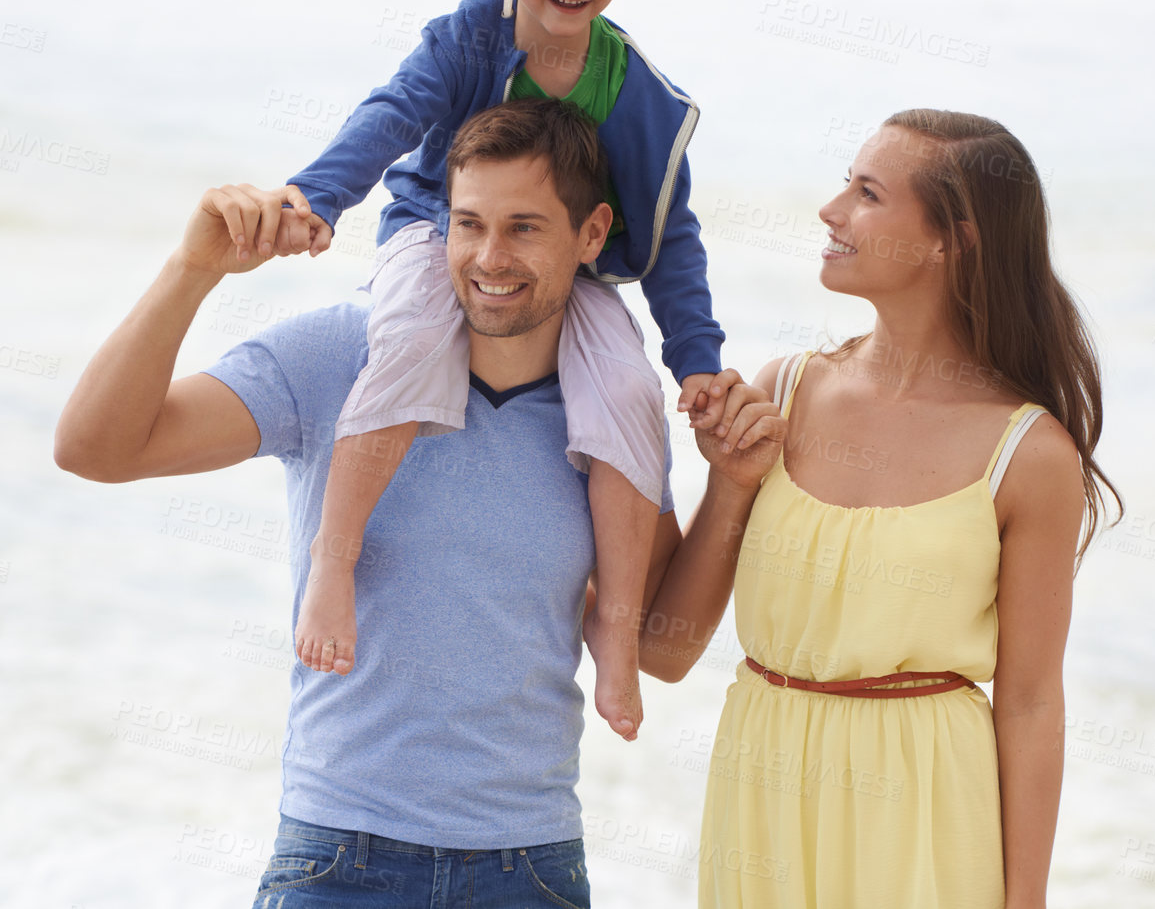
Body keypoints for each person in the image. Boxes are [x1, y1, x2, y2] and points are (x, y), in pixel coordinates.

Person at [53, 98, 780, 907]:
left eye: (525, 228)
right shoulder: (341, 354)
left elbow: (663, 650)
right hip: (339, 860)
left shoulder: (607, 407)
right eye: (468, 225)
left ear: (592, 233)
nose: (488, 258)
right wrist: (193, 270)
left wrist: (732, 484)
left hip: (529, 867)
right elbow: (96, 449)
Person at [266, 0, 729, 744]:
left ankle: (618, 626)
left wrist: (697, 365)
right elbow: (390, 116)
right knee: (403, 344)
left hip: (569, 269)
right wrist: (316, 197)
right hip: (438, 231)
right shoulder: (466, 39)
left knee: (626, 396)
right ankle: (335, 554)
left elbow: (674, 239)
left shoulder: (638, 95)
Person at [644, 110, 1123, 908]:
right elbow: (662, 654)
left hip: (928, 816)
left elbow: (1034, 701)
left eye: (867, 193)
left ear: (953, 241)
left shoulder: (1029, 455)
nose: (831, 212)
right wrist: (730, 483)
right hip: (760, 796)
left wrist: (1025, 897)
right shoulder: (781, 395)